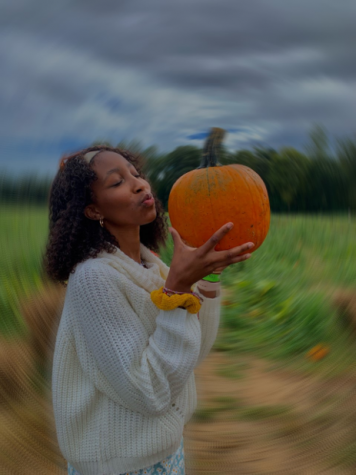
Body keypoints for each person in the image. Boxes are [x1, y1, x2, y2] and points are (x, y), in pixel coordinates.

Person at [45, 145, 254, 475]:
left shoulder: (153, 266)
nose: (140, 184)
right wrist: (177, 290)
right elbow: (149, 391)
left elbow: (191, 353)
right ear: (92, 210)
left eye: (137, 174)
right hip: (120, 466)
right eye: (117, 183)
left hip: (168, 453)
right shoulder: (93, 279)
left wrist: (209, 277)